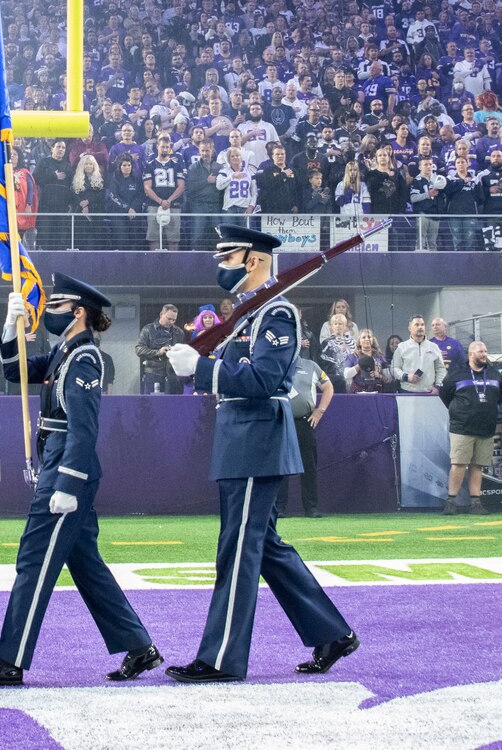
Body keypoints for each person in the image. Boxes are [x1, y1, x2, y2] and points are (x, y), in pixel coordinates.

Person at [160, 224, 356, 682]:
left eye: (226, 258)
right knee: (263, 546)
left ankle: (221, 658)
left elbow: (265, 381)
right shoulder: (250, 315)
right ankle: (331, 632)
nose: (220, 266)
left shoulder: (277, 313)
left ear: (253, 260)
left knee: (238, 549)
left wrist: (202, 368)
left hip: (256, 441)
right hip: (241, 439)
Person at [0, 274, 162, 686]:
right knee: (86, 565)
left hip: (68, 467)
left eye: (55, 307)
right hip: (60, 461)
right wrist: (6, 328)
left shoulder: (84, 358)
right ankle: (139, 647)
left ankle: (10, 660)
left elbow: (84, 429)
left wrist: (67, 484)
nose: (47, 313)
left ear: (79, 312)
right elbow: (15, 373)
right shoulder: (64, 353)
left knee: (34, 559)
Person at [438, 339, 502, 514]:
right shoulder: (456, 374)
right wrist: (459, 411)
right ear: (471, 354)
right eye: (481, 352)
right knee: (459, 463)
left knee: (478, 465)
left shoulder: (495, 375)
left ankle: (475, 503)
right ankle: (451, 502)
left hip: (486, 428)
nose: (484, 355)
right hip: (462, 427)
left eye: (485, 351)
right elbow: (445, 395)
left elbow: (499, 396)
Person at [290, 334, 335, 518]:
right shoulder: (275, 366)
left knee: (308, 465)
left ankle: (311, 507)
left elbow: (328, 387)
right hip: (280, 422)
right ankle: (277, 508)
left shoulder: (311, 366)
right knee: (278, 467)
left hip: (304, 421)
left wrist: (320, 411)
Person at [134, 303, 188, 395]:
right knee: (152, 405)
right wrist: (158, 352)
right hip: (154, 375)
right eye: (169, 318)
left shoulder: (179, 332)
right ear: (161, 314)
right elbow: (139, 350)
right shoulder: (148, 330)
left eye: (174, 320)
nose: (171, 322)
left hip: (173, 376)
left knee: (174, 405)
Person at [388, 315, 441, 394]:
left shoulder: (434, 347)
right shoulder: (401, 347)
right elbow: (394, 368)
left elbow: (440, 369)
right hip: (406, 392)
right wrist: (405, 377)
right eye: (416, 325)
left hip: (429, 392)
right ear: (409, 328)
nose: (420, 327)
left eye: (422, 325)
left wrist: (438, 386)